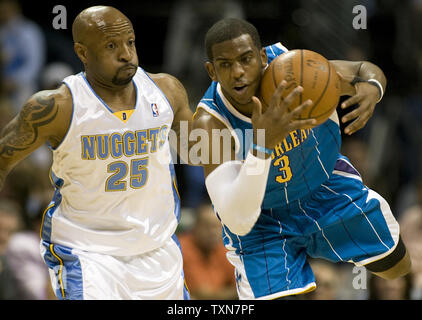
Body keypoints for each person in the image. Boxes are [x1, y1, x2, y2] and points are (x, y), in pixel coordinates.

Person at [192, 18, 411, 300]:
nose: (238, 72)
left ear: (261, 57)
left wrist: (372, 88)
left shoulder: (292, 68)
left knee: (397, 268)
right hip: (262, 222)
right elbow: (238, 221)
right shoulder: (209, 124)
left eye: (246, 59)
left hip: (324, 187)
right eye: (225, 64)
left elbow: (361, 70)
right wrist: (262, 146)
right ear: (212, 70)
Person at [0, 6, 194, 300]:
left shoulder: (166, 90)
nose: (126, 54)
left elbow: (201, 152)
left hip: (157, 250)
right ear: (82, 52)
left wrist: (256, 134)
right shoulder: (58, 107)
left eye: (130, 42)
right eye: (111, 46)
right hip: (87, 254)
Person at [178, 202, 237, 300]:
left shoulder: (225, 249)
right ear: (195, 227)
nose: (213, 232)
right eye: (207, 226)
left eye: (218, 227)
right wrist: (230, 293)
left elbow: (240, 287)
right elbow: (202, 294)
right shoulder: (182, 249)